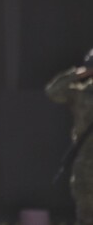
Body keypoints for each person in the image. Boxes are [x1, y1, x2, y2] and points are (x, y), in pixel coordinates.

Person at [46, 48, 93, 225]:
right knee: (85, 214)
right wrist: (78, 74)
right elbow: (53, 91)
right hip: (86, 161)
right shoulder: (82, 93)